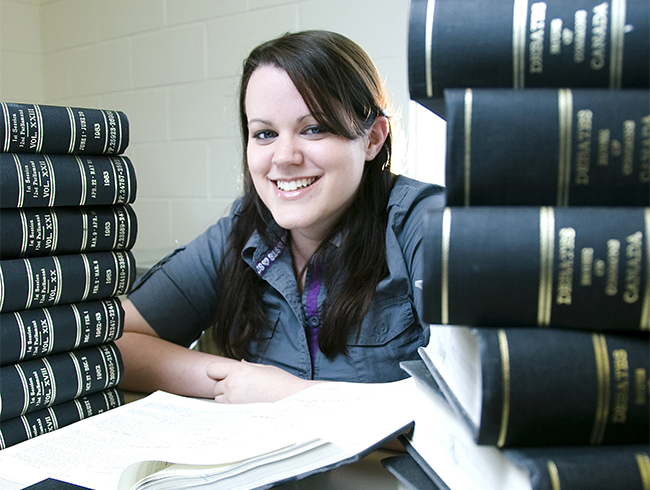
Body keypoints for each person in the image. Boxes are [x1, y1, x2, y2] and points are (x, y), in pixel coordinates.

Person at [116, 30, 445, 404]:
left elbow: (477, 401)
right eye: (265, 133)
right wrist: (235, 381)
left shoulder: (427, 226)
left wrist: (293, 397)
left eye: (314, 128)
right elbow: (116, 342)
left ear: (372, 139)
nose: (284, 157)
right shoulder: (242, 233)